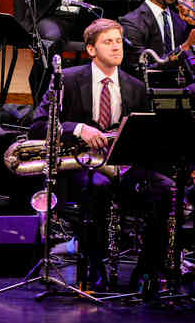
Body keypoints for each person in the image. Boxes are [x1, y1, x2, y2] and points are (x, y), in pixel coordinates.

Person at [30, 19, 174, 294]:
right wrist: (78, 128)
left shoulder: (135, 86)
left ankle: (146, 272)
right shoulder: (68, 80)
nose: (116, 47)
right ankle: (94, 268)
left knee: (165, 189)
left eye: (118, 41)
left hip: (123, 164)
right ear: (91, 49)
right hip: (82, 163)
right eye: (108, 42)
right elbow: (38, 126)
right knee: (97, 187)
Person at [119, 0, 195, 79]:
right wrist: (184, 48)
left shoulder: (181, 20)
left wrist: (193, 24)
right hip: (150, 92)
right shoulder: (132, 22)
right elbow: (142, 69)